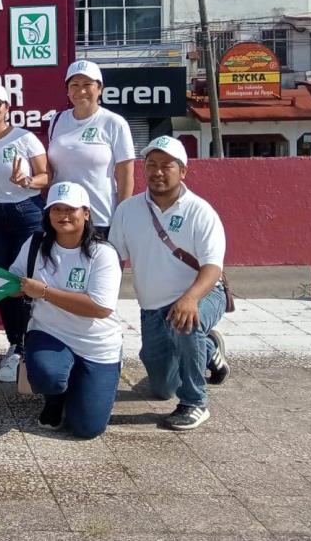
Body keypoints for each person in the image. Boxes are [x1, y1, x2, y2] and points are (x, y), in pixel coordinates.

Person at [109, 135, 229, 431]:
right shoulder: (128, 210)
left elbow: (213, 267)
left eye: (166, 165)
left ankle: (195, 402)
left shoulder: (200, 211)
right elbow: (113, 257)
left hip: (203, 294)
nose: (157, 172)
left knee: (186, 323)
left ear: (183, 171)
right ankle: (208, 346)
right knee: (162, 387)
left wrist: (190, 299)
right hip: (152, 307)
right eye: (151, 165)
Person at [12, 181, 123, 439]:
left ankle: (81, 383)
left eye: (70, 209)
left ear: (86, 213)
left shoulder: (103, 253)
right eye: (56, 209)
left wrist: (44, 292)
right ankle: (54, 399)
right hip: (49, 332)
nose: (63, 215)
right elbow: (14, 283)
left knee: (87, 429)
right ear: (48, 213)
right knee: (48, 374)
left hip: (97, 344)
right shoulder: (36, 243)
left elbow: (100, 308)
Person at [0, 82, 49, 382]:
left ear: (8, 107)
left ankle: (35, 343)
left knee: (29, 280)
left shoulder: (25, 138)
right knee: (4, 281)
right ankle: (15, 344)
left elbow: (46, 176)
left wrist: (28, 181)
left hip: (27, 211)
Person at [46, 60, 134, 236]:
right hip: (64, 218)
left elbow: (126, 175)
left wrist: (123, 215)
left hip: (100, 217)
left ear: (99, 88)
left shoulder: (114, 123)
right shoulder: (56, 121)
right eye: (74, 85)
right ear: (68, 89)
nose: (81, 91)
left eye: (88, 84)